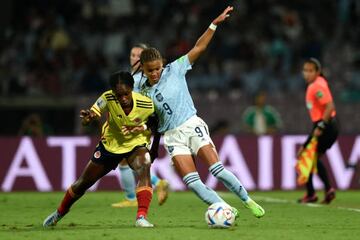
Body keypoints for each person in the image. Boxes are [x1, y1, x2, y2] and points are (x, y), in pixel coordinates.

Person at [134, 6, 265, 218]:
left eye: (158, 68)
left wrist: (214, 24)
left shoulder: (175, 69)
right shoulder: (140, 89)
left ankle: (247, 200)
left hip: (191, 124)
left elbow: (199, 47)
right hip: (172, 136)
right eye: (150, 70)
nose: (155, 73)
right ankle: (225, 209)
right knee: (192, 183)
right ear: (143, 70)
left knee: (217, 170)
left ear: (162, 64)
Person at [43, 71, 156, 227]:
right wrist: (88, 118)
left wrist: (149, 140)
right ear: (113, 93)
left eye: (126, 94)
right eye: (119, 95)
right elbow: (91, 116)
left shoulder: (146, 103)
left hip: (135, 144)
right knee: (82, 184)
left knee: (145, 164)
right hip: (110, 145)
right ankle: (60, 212)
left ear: (132, 89)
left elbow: (155, 122)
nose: (123, 98)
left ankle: (141, 217)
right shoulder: (107, 97)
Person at [111, 43, 169, 208]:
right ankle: (155, 184)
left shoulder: (138, 80)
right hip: (142, 123)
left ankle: (133, 197)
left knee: (125, 159)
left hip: (138, 123)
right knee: (127, 159)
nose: (135, 58)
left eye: (139, 56)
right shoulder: (135, 77)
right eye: (132, 55)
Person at [298, 58, 338, 204]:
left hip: (326, 126)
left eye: (310, 70)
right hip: (328, 126)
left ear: (318, 72)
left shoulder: (317, 85)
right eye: (305, 70)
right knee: (311, 158)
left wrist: (321, 126)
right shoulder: (316, 84)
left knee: (306, 155)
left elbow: (330, 106)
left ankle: (312, 193)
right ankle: (326, 190)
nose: (307, 73)